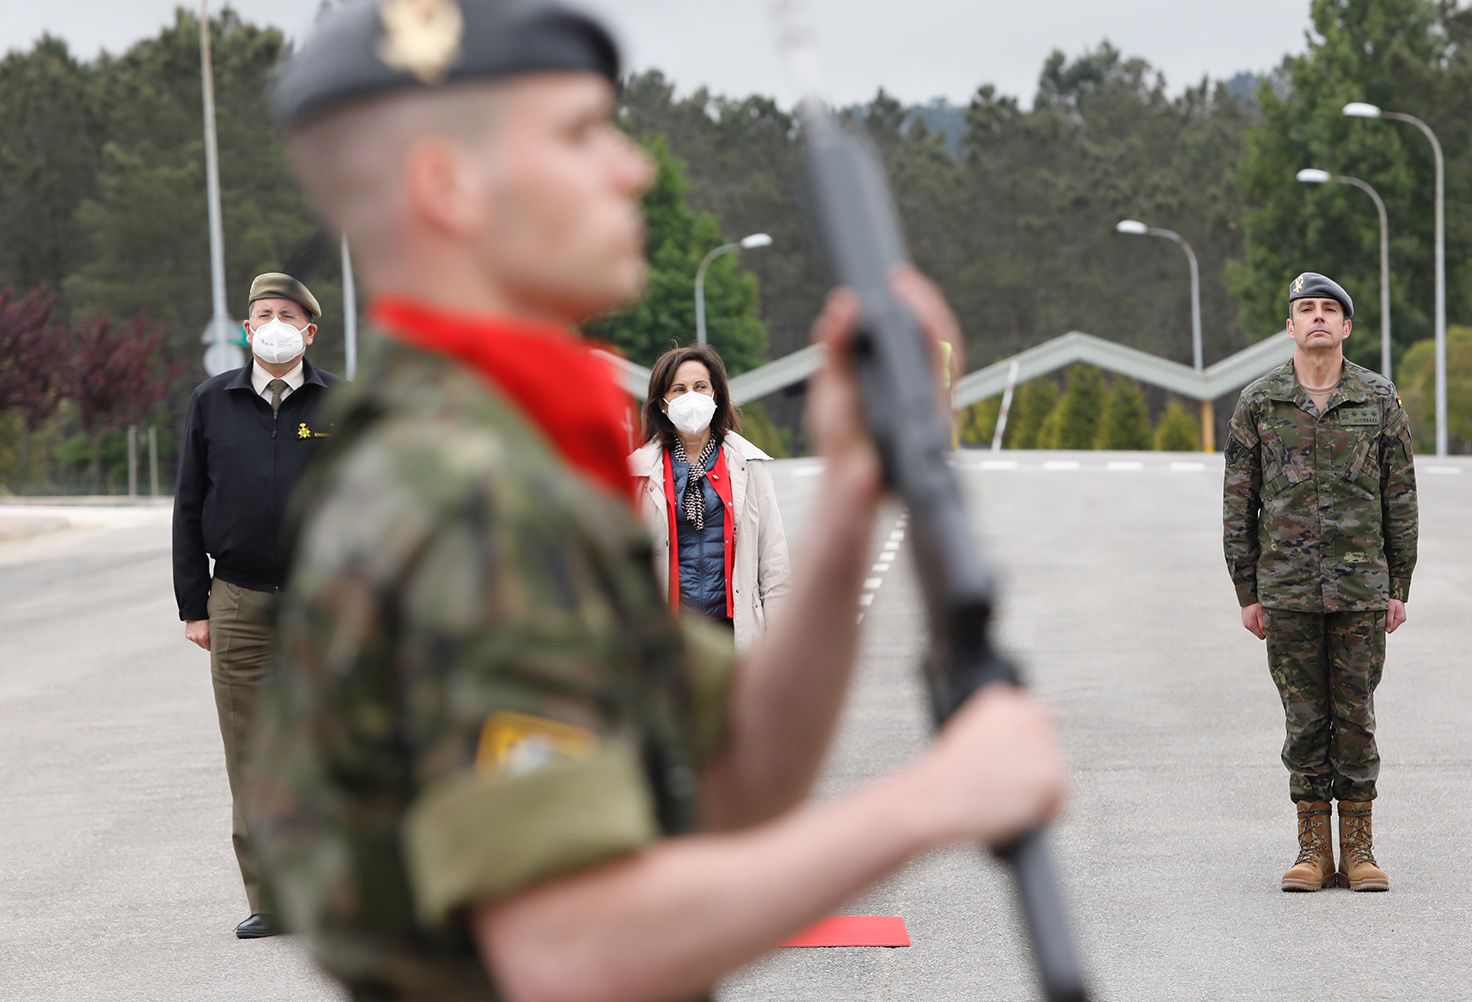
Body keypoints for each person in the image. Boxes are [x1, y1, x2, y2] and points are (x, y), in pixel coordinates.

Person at [247, 2, 1064, 998]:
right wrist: (931, 803)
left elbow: (740, 774)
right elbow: (570, 951)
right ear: (448, 187)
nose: (632, 169)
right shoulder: (467, 497)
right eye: (582, 133)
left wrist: (854, 491)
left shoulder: (510, 461)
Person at [1223, 271, 1418, 893]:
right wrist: (1247, 591)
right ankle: (1312, 851)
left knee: (1355, 718)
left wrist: (1399, 584)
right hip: (1287, 591)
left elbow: (1401, 497)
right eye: (1305, 309)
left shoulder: (1378, 399)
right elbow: (1238, 503)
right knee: (1305, 721)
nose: (1317, 318)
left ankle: (1358, 850)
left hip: (1362, 589)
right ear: (1289, 326)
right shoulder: (1259, 402)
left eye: (1328, 310)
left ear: (1346, 326)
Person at [171, 272, 339, 938]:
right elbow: (188, 506)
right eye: (262, 313)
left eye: (287, 314)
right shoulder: (211, 402)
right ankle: (269, 896)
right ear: (246, 328)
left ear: (309, 331)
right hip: (237, 599)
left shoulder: (339, 406)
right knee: (250, 753)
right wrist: (195, 606)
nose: (274, 323)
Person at [629, 346, 791, 649]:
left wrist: (778, 643)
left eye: (700, 386)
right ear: (662, 405)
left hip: (734, 630)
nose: (691, 396)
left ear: (715, 395)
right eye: (679, 389)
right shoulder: (639, 472)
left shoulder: (747, 463)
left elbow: (774, 562)